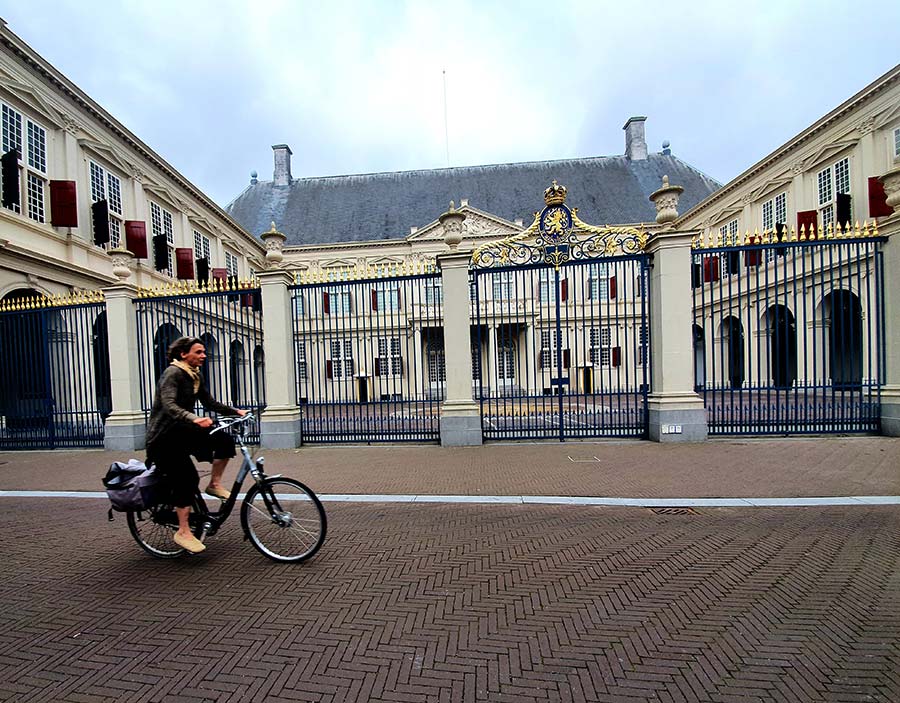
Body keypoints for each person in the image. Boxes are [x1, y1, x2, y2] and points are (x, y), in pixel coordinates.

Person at [145, 336, 246, 554]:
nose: (203, 355)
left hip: (183, 432)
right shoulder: (173, 373)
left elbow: (209, 403)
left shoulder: (193, 375)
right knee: (187, 478)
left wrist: (235, 412)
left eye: (203, 352)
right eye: (198, 352)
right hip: (163, 439)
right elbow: (168, 404)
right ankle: (182, 530)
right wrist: (193, 418)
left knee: (224, 440)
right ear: (183, 354)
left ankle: (214, 484)